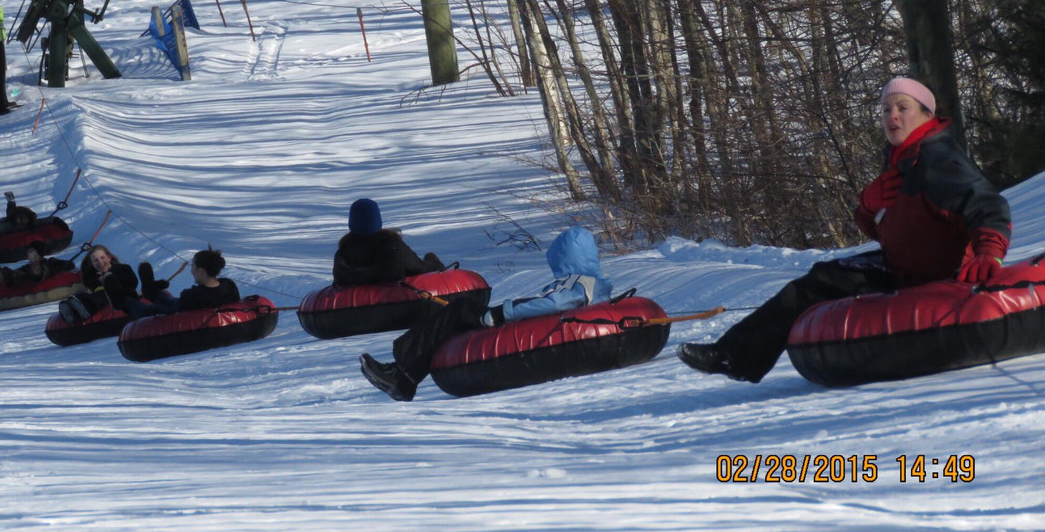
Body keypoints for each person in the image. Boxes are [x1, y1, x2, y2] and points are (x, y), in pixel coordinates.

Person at [677, 76, 1013, 384]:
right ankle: (734, 355)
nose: (892, 116)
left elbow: (988, 206)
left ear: (927, 114)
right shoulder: (902, 159)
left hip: (940, 276)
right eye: (886, 109)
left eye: (903, 108)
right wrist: (868, 205)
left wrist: (989, 253)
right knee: (821, 277)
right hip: (902, 267)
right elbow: (883, 229)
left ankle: (733, 357)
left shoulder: (939, 160)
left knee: (815, 286)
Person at [360, 225, 614, 402]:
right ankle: (403, 373)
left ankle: (401, 374)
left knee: (460, 308)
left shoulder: (576, 282)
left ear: (567, 257)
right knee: (456, 317)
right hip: (528, 324)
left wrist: (503, 313)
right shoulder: (596, 284)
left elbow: (553, 303)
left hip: (517, 323)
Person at [332, 198, 445, 286]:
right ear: (377, 220)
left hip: (353, 308)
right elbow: (420, 269)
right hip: (399, 306)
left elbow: (339, 283)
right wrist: (435, 263)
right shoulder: (393, 247)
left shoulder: (342, 254)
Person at [115, 248, 240, 319]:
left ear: (201, 271)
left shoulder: (194, 295)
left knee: (150, 308)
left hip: (179, 313)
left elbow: (176, 312)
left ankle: (124, 299)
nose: (191, 271)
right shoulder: (229, 285)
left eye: (193, 267)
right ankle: (150, 290)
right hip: (185, 305)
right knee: (169, 300)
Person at [58, 244, 139, 323]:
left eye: (102, 258)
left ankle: (84, 306)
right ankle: (71, 309)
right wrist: (99, 282)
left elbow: (132, 282)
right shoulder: (93, 276)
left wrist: (108, 279)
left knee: (103, 296)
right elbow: (92, 287)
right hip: (100, 295)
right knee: (91, 295)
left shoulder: (122, 269)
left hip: (120, 295)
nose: (100, 262)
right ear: (92, 263)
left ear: (109, 257)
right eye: (96, 260)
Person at [0, 241, 75, 286]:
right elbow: (18, 271)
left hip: (42, 274)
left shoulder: (50, 262)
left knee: (39, 272)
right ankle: (1, 274)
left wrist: (66, 265)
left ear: (40, 254)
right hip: (29, 276)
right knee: (16, 274)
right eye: (30, 254)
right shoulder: (27, 266)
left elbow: (65, 265)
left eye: (35, 254)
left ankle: (36, 271)